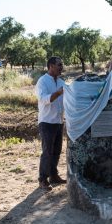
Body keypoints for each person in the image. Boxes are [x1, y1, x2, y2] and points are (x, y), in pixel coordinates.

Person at [35, 56, 66, 191]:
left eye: (62, 64)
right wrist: (58, 93)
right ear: (51, 66)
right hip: (47, 122)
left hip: (59, 121)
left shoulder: (61, 81)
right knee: (47, 151)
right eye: (59, 64)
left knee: (56, 151)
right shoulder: (42, 81)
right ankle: (43, 179)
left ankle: (54, 176)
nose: (61, 67)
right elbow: (43, 99)